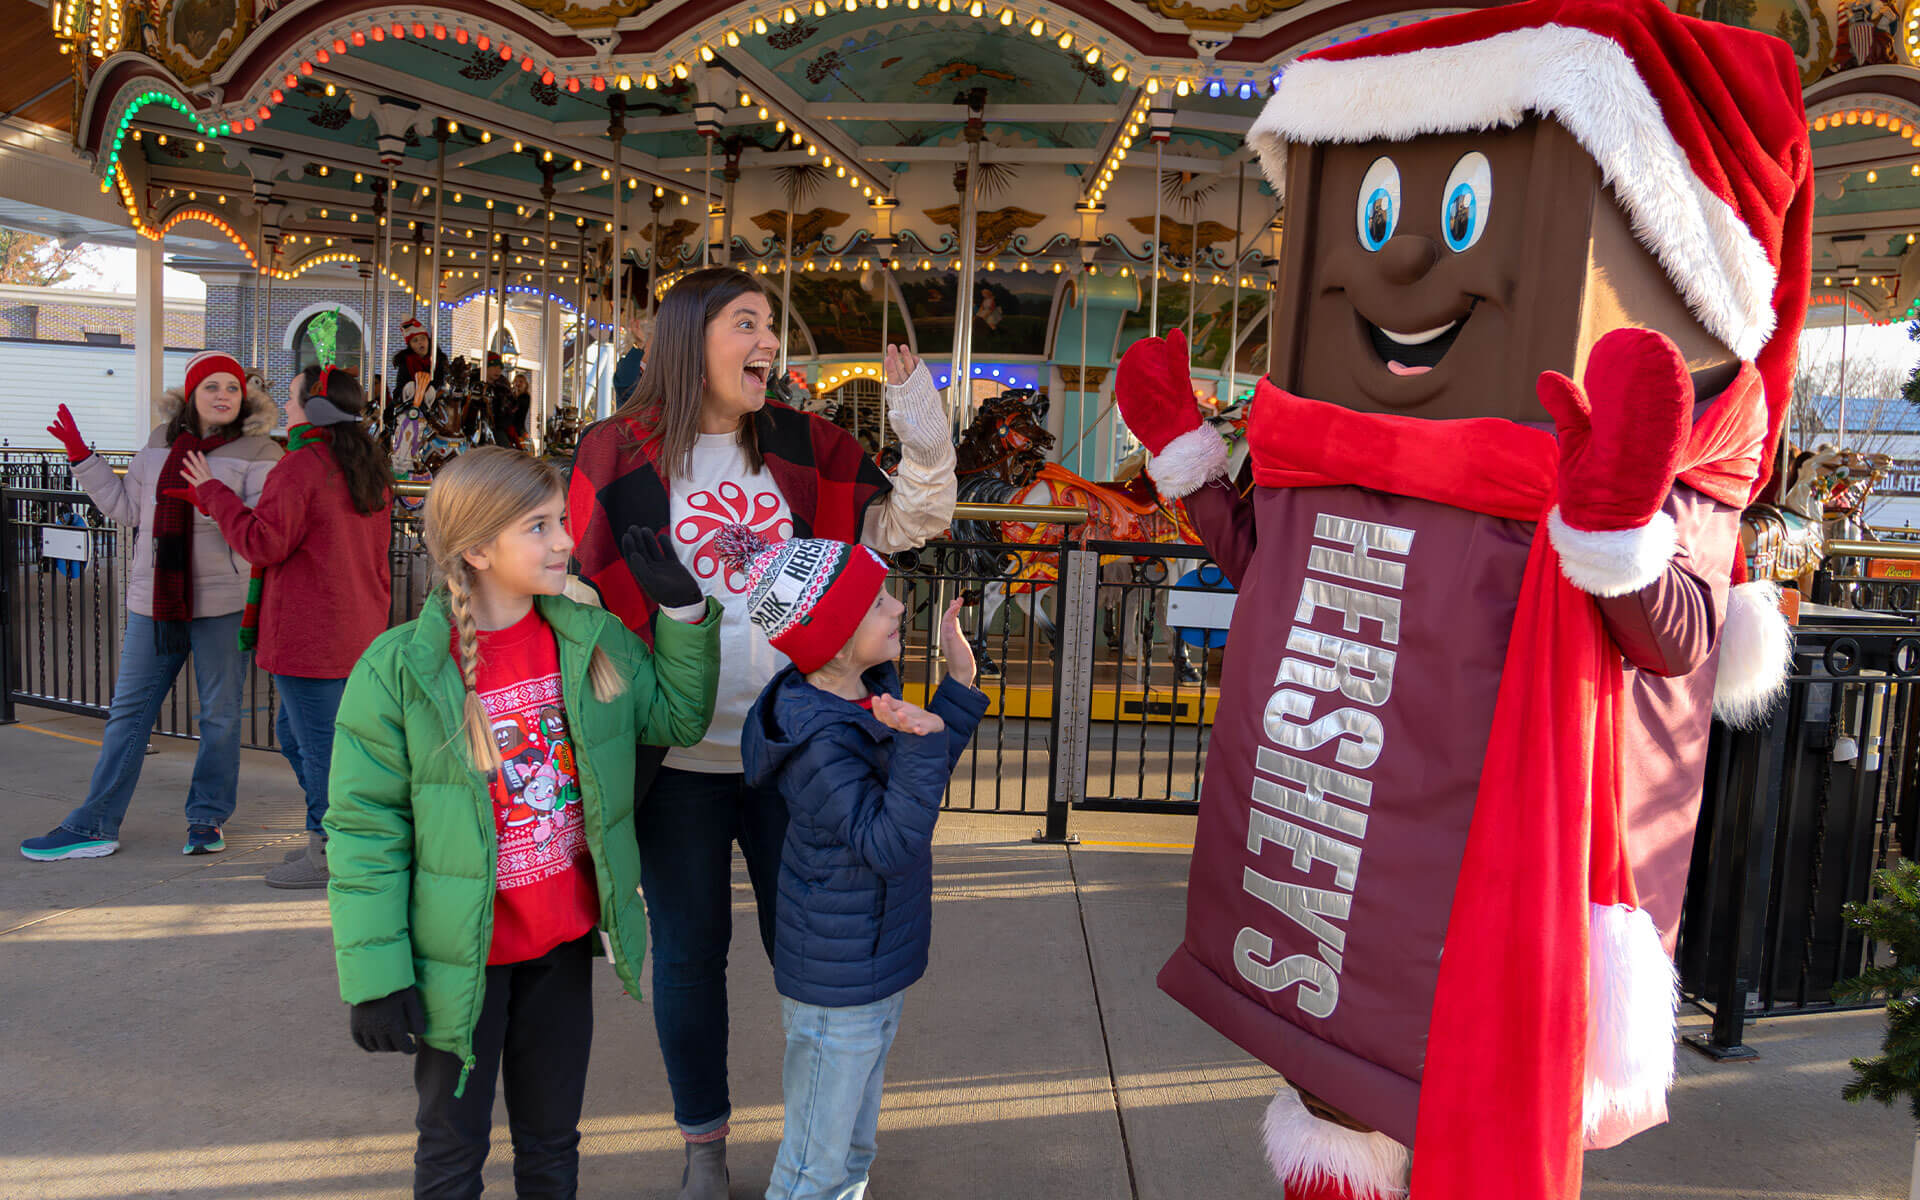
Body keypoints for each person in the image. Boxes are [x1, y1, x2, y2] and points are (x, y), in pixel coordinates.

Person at [566, 266, 957, 1199]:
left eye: (770, 326)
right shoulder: (615, 453)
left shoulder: (801, 441)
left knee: (821, 966)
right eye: (748, 324)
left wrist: (923, 437)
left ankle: (821, 1148)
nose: (769, 343)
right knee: (691, 958)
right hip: (679, 763)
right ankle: (704, 1142)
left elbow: (908, 524)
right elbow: (580, 603)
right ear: (690, 337)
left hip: (797, 753)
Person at [324, 446, 721, 1198]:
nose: (565, 542)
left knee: (552, 1145)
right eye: (538, 527)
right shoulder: (399, 670)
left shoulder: (590, 640)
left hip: (560, 949)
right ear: (477, 547)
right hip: (460, 959)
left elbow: (676, 716)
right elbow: (365, 828)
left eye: (561, 521)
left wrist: (684, 612)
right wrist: (375, 976)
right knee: (450, 1150)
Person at [732, 531, 986, 1200]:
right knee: (816, 1161)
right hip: (838, 983)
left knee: (850, 1148)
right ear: (836, 639)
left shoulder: (864, 693)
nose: (898, 606)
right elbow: (889, 841)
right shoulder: (820, 740)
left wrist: (955, 691)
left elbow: (912, 786)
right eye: (876, 602)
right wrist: (926, 739)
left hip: (870, 961)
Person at [20, 351, 283, 861]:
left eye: (232, 387)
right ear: (191, 395)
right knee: (128, 714)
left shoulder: (261, 452)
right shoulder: (160, 443)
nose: (223, 396)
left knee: (221, 717)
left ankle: (207, 818)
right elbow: (125, 508)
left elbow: (256, 533)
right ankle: (96, 822)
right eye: (212, 387)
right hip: (155, 601)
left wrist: (208, 497)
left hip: (221, 605)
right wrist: (82, 457)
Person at [179, 364, 393, 889]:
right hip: (356, 627)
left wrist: (214, 495)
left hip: (310, 634)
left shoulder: (300, 467)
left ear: (313, 410)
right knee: (302, 739)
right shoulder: (367, 465)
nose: (286, 407)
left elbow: (263, 543)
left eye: (294, 400)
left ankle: (331, 850)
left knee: (318, 747)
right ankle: (355, 832)